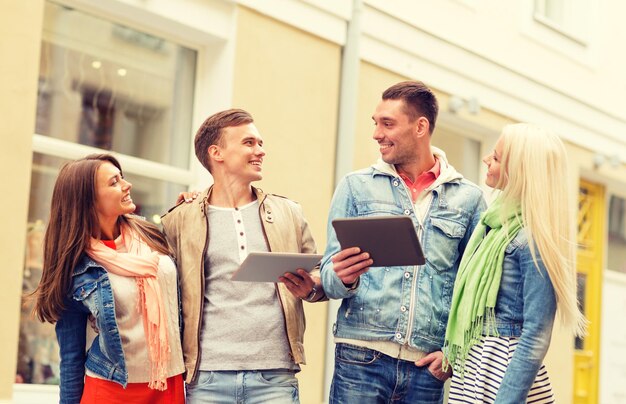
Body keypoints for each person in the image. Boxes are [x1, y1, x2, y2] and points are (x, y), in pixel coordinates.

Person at [320, 80, 486, 403]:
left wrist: (454, 352)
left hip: (427, 372)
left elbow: (476, 289)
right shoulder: (355, 188)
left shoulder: (468, 199)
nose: (377, 134)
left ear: (420, 126)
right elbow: (328, 274)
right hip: (360, 360)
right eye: (376, 123)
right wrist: (342, 277)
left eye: (388, 124)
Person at [160, 108, 326, 403]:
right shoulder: (179, 220)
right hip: (206, 377)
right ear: (217, 153)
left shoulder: (289, 213)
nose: (260, 151)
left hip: (274, 376)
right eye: (249, 143)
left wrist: (312, 287)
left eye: (260, 143)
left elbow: (320, 275)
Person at [443, 124, 587, 403]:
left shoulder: (531, 239)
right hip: (476, 371)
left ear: (519, 171)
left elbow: (536, 334)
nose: (486, 160)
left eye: (496, 158)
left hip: (503, 376)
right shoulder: (494, 226)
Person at [33, 154, 185, 404]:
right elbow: (71, 357)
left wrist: (191, 209)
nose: (127, 185)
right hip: (111, 389)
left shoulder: (150, 236)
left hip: (169, 383)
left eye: (122, 178)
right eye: (114, 182)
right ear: (89, 201)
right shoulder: (76, 267)